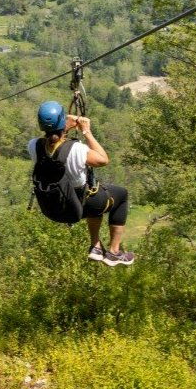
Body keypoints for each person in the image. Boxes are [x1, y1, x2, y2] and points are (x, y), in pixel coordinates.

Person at [28, 100, 135, 266]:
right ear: (62, 122)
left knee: (98, 201)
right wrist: (86, 132)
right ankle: (114, 252)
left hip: (55, 207)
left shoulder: (34, 146)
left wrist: (63, 127)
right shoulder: (77, 149)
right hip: (80, 204)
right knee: (120, 195)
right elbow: (103, 159)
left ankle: (96, 247)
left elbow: (52, 144)